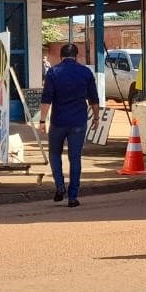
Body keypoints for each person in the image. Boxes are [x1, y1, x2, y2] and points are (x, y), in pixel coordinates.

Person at [39, 44, 100, 207]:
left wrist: (42, 121)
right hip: (78, 122)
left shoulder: (53, 72)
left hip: (58, 122)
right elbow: (94, 98)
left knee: (54, 154)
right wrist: (96, 117)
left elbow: (46, 99)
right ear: (77, 56)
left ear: (61, 56)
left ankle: (59, 185)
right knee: (75, 158)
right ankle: (73, 197)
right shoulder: (85, 72)